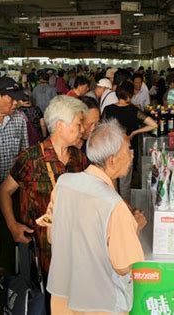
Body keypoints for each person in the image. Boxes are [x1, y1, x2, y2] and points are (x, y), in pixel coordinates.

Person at [48, 119, 146, 314]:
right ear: (112, 160)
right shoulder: (114, 205)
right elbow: (123, 267)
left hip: (63, 297)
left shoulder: (64, 183)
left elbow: (51, 235)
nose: (132, 155)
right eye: (128, 150)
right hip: (99, 304)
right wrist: (134, 227)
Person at [0, 96, 88, 292]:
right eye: (78, 124)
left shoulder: (78, 157)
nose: (82, 129)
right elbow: (5, 190)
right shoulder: (31, 158)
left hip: (74, 246)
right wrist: (13, 226)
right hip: (40, 250)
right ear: (60, 125)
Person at [0, 77, 29, 273]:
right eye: (12, 99)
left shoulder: (19, 119)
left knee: (9, 238)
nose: (16, 103)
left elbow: (24, 154)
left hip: (11, 190)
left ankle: (7, 285)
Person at [102, 81, 157, 203]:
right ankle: (125, 210)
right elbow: (153, 124)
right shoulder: (133, 110)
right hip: (127, 150)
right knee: (125, 184)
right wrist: (134, 133)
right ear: (130, 95)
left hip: (111, 150)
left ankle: (112, 208)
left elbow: (101, 129)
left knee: (111, 180)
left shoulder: (108, 109)